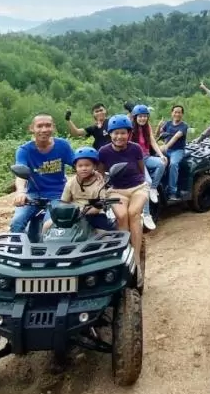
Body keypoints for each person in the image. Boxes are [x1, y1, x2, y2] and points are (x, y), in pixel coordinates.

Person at [97, 114, 150, 277]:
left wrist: (143, 185)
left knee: (133, 214)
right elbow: (100, 174)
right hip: (116, 190)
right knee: (121, 216)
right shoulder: (104, 151)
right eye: (115, 133)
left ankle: (136, 261)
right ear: (110, 134)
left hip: (137, 188)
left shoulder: (135, 148)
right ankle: (123, 254)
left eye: (123, 133)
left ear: (129, 133)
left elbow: (141, 169)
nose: (119, 136)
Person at [10, 114, 76, 234]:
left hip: (59, 194)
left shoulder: (63, 146)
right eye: (39, 126)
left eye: (48, 125)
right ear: (32, 128)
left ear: (53, 127)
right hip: (33, 195)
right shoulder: (24, 150)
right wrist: (20, 191)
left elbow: (78, 164)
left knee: (51, 225)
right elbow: (20, 173)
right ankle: (19, 249)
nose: (44, 130)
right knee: (17, 222)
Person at [60, 146, 118, 231]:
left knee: (107, 232)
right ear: (75, 166)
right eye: (80, 166)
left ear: (94, 166)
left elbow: (98, 206)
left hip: (94, 213)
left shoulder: (99, 182)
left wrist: (82, 214)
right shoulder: (71, 182)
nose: (83, 168)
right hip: (73, 214)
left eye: (87, 165)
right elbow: (64, 202)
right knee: (47, 225)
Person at [131, 104, 167, 230]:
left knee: (162, 162)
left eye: (145, 116)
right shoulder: (131, 130)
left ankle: (154, 188)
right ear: (135, 117)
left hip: (146, 157)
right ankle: (146, 214)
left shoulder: (147, 128)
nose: (143, 119)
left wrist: (161, 155)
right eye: (140, 116)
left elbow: (152, 142)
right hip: (137, 161)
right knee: (147, 182)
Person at [160, 105, 189, 202]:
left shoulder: (184, 126)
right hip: (166, 149)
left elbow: (176, 137)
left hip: (177, 150)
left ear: (182, 114)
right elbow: (161, 134)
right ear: (171, 113)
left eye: (179, 112)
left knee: (173, 164)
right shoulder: (168, 123)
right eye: (175, 112)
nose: (177, 114)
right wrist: (159, 127)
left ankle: (172, 192)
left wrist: (166, 147)